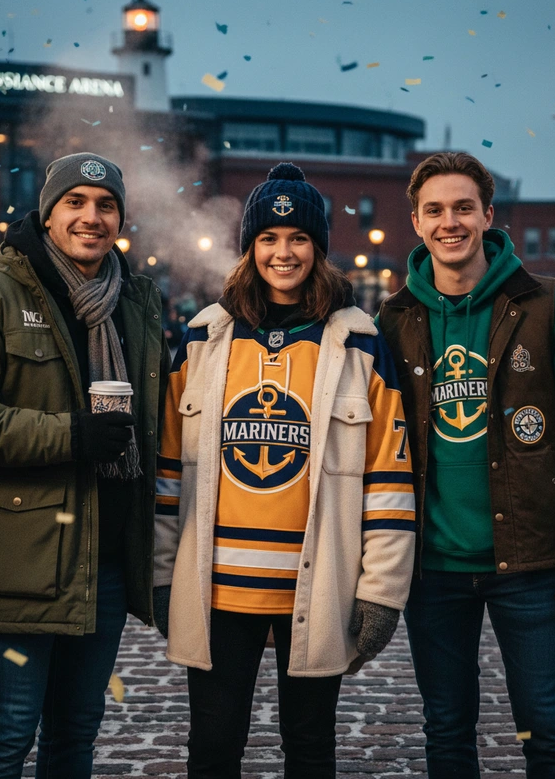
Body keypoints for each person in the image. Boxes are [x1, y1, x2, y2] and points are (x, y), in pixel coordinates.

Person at [153, 163, 416, 778]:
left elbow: (389, 479)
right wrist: (163, 573)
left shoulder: (359, 345)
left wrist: (380, 590)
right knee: (213, 748)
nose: (283, 252)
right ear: (250, 248)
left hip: (319, 584)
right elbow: (168, 472)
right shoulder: (202, 340)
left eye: (299, 238)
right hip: (218, 589)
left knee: (310, 747)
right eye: (268, 238)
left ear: (318, 249)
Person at [0, 152, 170, 779]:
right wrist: (70, 435)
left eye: (106, 205)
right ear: (48, 213)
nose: (92, 217)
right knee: (6, 735)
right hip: (19, 558)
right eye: (75, 202)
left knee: (74, 737)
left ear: (120, 219)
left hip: (106, 562)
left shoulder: (135, 301)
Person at [377, 152, 555, 779]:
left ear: (488, 215)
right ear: (416, 222)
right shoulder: (394, 321)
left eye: (464, 207)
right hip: (432, 567)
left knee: (548, 729)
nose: (450, 222)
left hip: (533, 563)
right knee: (447, 731)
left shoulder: (546, 306)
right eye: (435, 210)